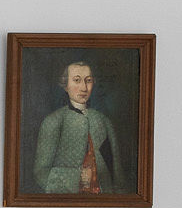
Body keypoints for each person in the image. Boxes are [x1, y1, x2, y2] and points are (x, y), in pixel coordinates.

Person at [33, 60, 119, 194]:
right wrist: (77, 176)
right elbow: (41, 173)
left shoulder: (103, 121)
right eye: (77, 80)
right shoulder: (53, 121)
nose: (84, 88)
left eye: (88, 80)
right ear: (65, 85)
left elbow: (117, 173)